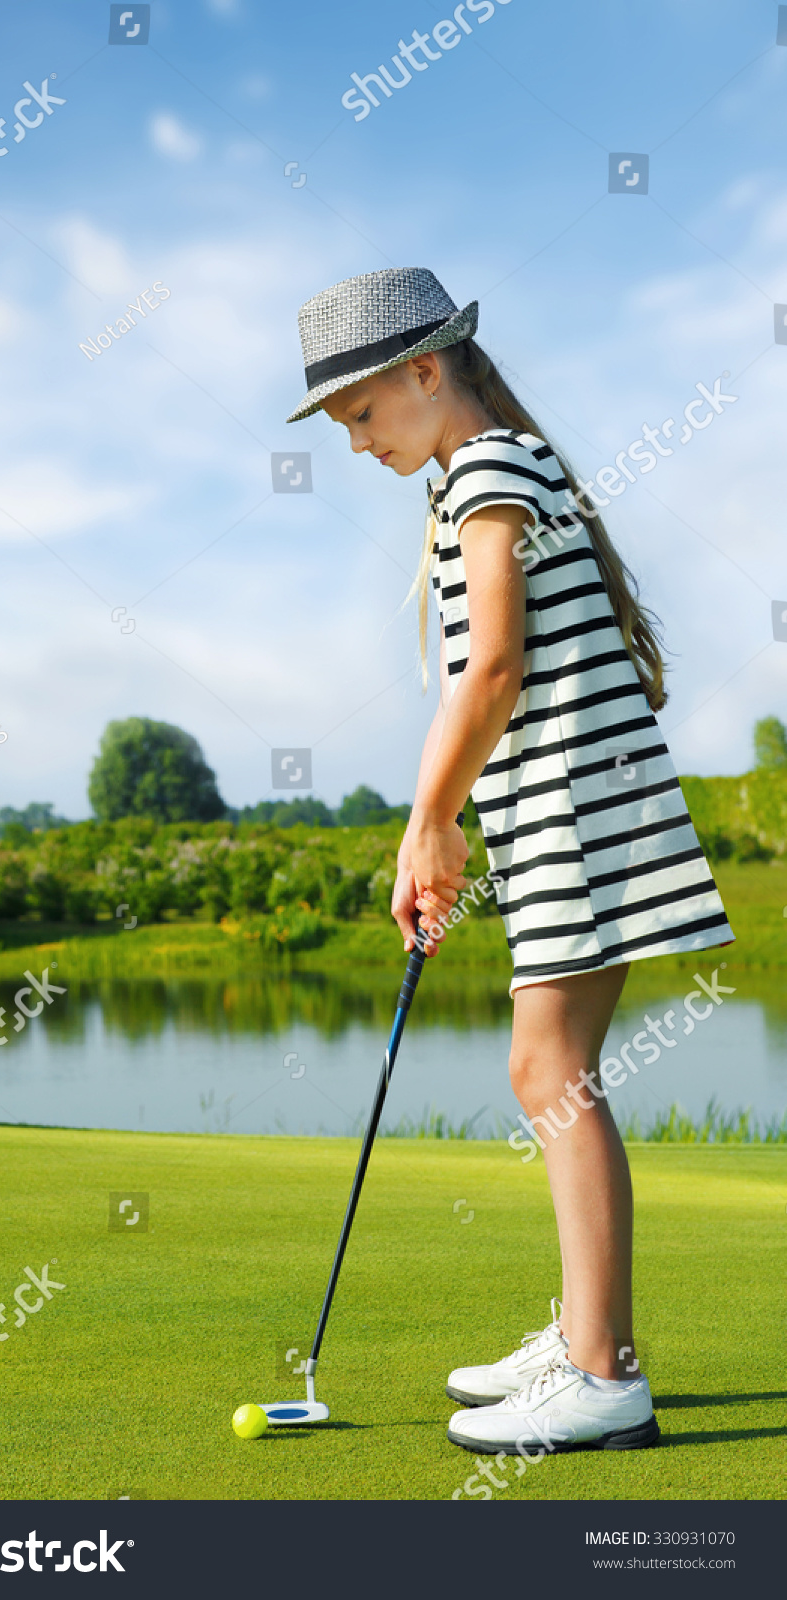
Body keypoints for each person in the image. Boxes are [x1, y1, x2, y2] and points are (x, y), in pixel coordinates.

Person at [285, 267, 734, 1456]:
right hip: (559, 812)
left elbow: (489, 669)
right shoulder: (481, 472)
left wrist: (426, 821)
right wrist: (439, 824)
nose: (358, 441)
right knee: (548, 1064)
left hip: (582, 812)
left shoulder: (486, 473)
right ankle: (586, 1335)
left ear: (425, 368)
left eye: (363, 413)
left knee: (549, 1069)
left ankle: (601, 1369)